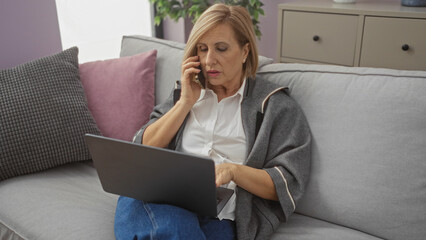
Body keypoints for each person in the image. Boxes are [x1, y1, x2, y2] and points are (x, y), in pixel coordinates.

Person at [114, 3, 311, 240]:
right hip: (161, 198)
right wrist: (185, 102)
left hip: (221, 216)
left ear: (245, 51)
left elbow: (287, 182)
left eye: (221, 48)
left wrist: (234, 171)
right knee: (175, 227)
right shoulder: (184, 92)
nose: (209, 60)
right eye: (203, 49)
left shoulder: (274, 106)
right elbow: (142, 149)